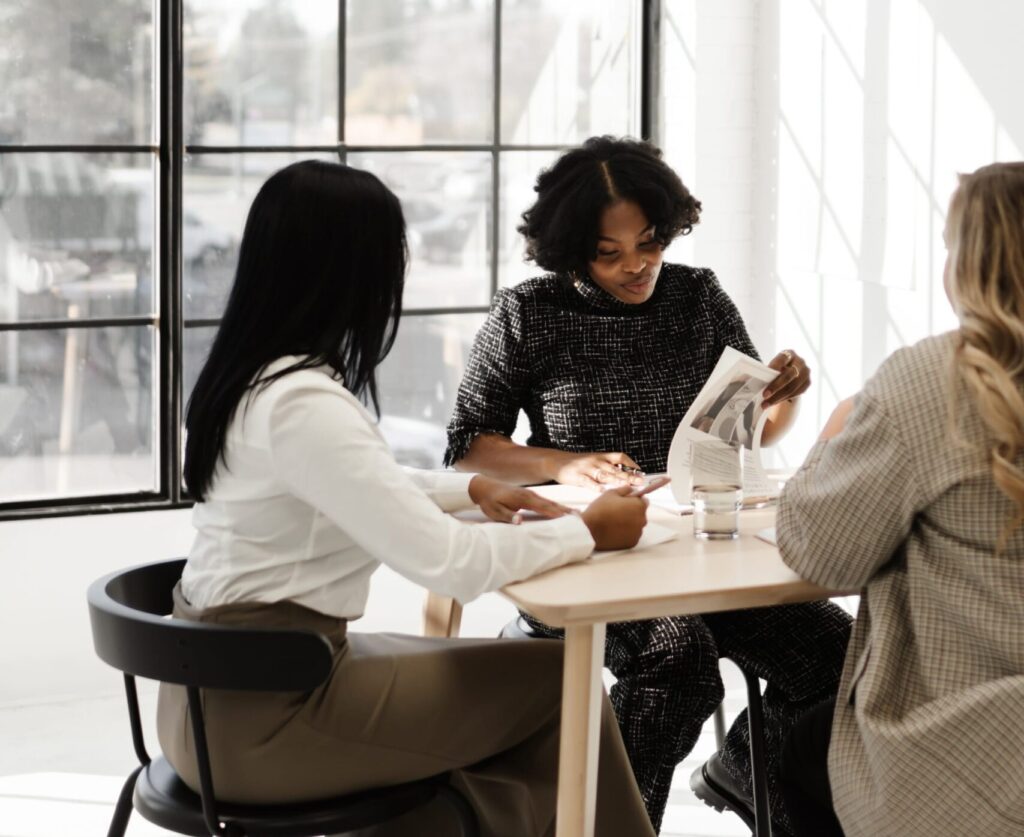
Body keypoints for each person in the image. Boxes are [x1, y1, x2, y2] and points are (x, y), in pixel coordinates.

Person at [157, 159, 658, 837]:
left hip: (214, 698)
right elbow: (450, 564)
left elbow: (348, 482)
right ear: (348, 269)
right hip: (268, 721)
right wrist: (590, 532)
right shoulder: (305, 402)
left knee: (542, 685)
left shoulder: (256, 379)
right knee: (565, 682)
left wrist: (475, 487)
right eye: (393, 253)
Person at [444, 135, 852, 834]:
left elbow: (746, 432)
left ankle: (743, 769)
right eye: (610, 252)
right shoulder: (527, 313)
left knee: (845, 656)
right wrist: (562, 462)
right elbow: (468, 448)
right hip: (590, 559)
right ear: (572, 247)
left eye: (651, 242)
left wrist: (784, 396)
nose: (637, 265)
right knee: (677, 654)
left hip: (699, 554)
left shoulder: (697, 296)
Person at [776, 162, 1024, 837]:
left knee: (796, 752)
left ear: (970, 263)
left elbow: (822, 554)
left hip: (973, 739)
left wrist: (835, 429)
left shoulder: (930, 382)